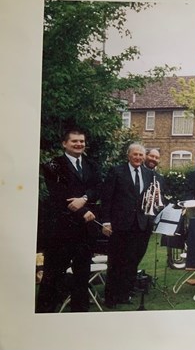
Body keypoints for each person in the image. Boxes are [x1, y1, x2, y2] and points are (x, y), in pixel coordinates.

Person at [36, 128, 102, 313]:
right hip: (61, 231)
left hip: (85, 232)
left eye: (81, 141)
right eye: (74, 141)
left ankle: (79, 315)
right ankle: (43, 314)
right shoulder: (52, 165)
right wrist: (83, 210)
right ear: (64, 144)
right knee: (52, 275)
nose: (79, 144)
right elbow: (60, 195)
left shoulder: (91, 164)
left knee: (82, 277)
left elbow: (98, 187)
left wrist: (85, 199)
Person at [101, 143, 155, 308]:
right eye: (135, 154)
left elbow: (149, 198)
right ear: (128, 155)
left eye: (141, 155)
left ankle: (124, 294)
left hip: (140, 225)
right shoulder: (117, 171)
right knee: (116, 261)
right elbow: (107, 198)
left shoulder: (148, 174)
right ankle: (110, 297)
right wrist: (106, 221)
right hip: (120, 224)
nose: (138, 157)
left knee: (132, 262)